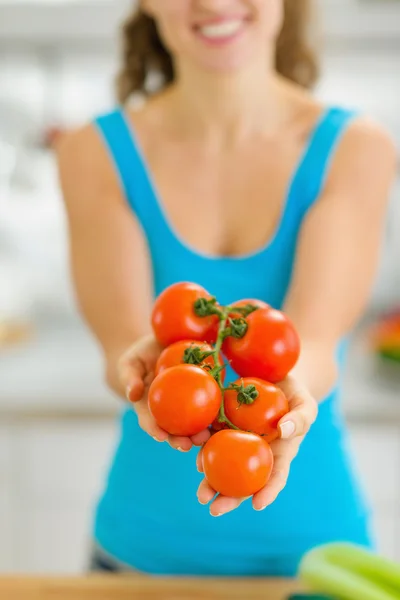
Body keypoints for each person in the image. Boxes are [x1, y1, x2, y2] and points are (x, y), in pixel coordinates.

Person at [57, 0, 396, 578]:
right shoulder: (93, 153)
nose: (213, 2)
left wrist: (289, 397)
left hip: (316, 561)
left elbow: (313, 342)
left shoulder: (357, 148)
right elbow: (123, 347)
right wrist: (139, 373)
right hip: (137, 556)